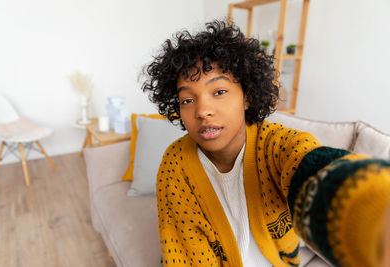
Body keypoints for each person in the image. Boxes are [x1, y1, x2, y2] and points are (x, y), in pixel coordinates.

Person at [141, 20, 390, 267]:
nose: (203, 111)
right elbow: (185, 251)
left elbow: (316, 172)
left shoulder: (277, 145)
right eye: (187, 100)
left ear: (246, 97)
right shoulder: (175, 165)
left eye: (219, 92)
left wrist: (376, 217)